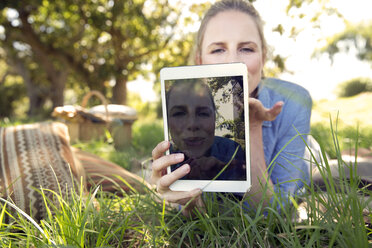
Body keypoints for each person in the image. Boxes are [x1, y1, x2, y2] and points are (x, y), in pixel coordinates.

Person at [151, 0, 312, 216]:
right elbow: (201, 217)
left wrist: (252, 129)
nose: (232, 62)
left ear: (263, 56)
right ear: (200, 61)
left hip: (309, 157)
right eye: (218, 50)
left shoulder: (294, 101)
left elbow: (273, 215)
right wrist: (184, 202)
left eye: (246, 49)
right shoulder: (184, 109)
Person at [166, 79, 246, 180]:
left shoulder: (231, 150)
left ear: (215, 118)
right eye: (179, 114)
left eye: (203, 113)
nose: (192, 124)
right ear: (167, 121)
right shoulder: (165, 161)